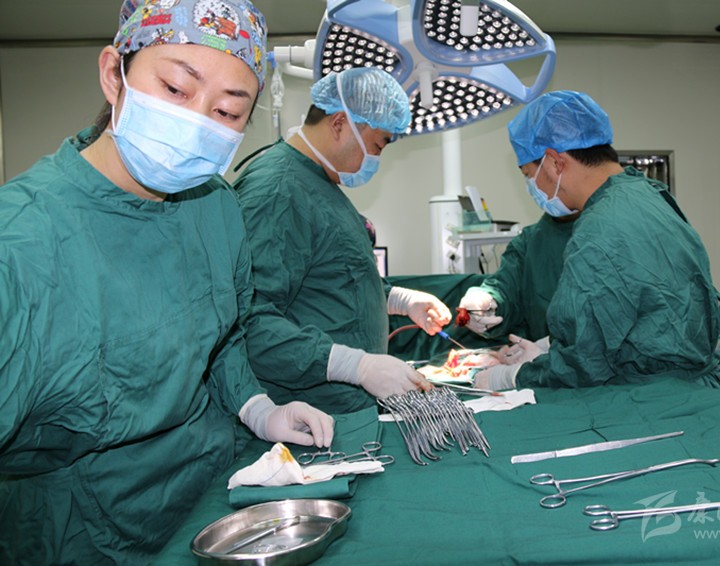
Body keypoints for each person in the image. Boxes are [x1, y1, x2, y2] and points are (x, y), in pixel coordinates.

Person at [0, 1, 334, 563]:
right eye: (176, 89)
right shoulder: (21, 243)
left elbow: (223, 334)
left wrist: (256, 407)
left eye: (228, 111)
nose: (197, 121)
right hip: (81, 532)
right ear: (115, 74)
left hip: (217, 499)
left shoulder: (214, 207)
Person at [474, 91, 720, 394]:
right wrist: (548, 346)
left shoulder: (598, 230)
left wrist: (511, 377)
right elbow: (646, 311)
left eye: (529, 175)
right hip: (687, 387)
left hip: (651, 395)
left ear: (553, 162)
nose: (533, 187)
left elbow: (584, 362)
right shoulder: (649, 195)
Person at [235, 67, 451, 413]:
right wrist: (355, 366)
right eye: (378, 144)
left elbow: (331, 279)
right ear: (339, 123)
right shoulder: (277, 192)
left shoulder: (319, 185)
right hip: (310, 414)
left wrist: (399, 300)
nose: (377, 158)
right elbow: (249, 321)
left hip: (345, 410)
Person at [457, 211, 578, 342]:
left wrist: (549, 346)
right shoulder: (531, 240)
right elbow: (506, 286)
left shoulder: (592, 237)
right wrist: (488, 300)